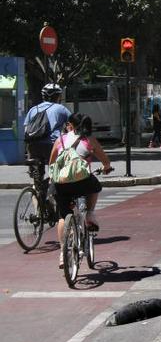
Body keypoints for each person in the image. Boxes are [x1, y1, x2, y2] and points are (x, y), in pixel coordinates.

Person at [49, 114, 112, 268]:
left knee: (63, 217)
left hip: (61, 184)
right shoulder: (89, 139)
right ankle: (90, 213)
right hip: (82, 182)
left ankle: (63, 254)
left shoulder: (61, 139)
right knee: (95, 187)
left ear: (70, 124)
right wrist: (106, 168)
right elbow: (105, 161)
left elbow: (51, 162)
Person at [24, 83, 71, 181]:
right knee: (58, 171)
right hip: (52, 145)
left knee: (37, 175)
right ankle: (55, 190)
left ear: (43, 96)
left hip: (32, 146)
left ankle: (36, 191)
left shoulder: (33, 109)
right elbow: (73, 124)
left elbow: (26, 129)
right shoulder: (61, 109)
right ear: (58, 96)